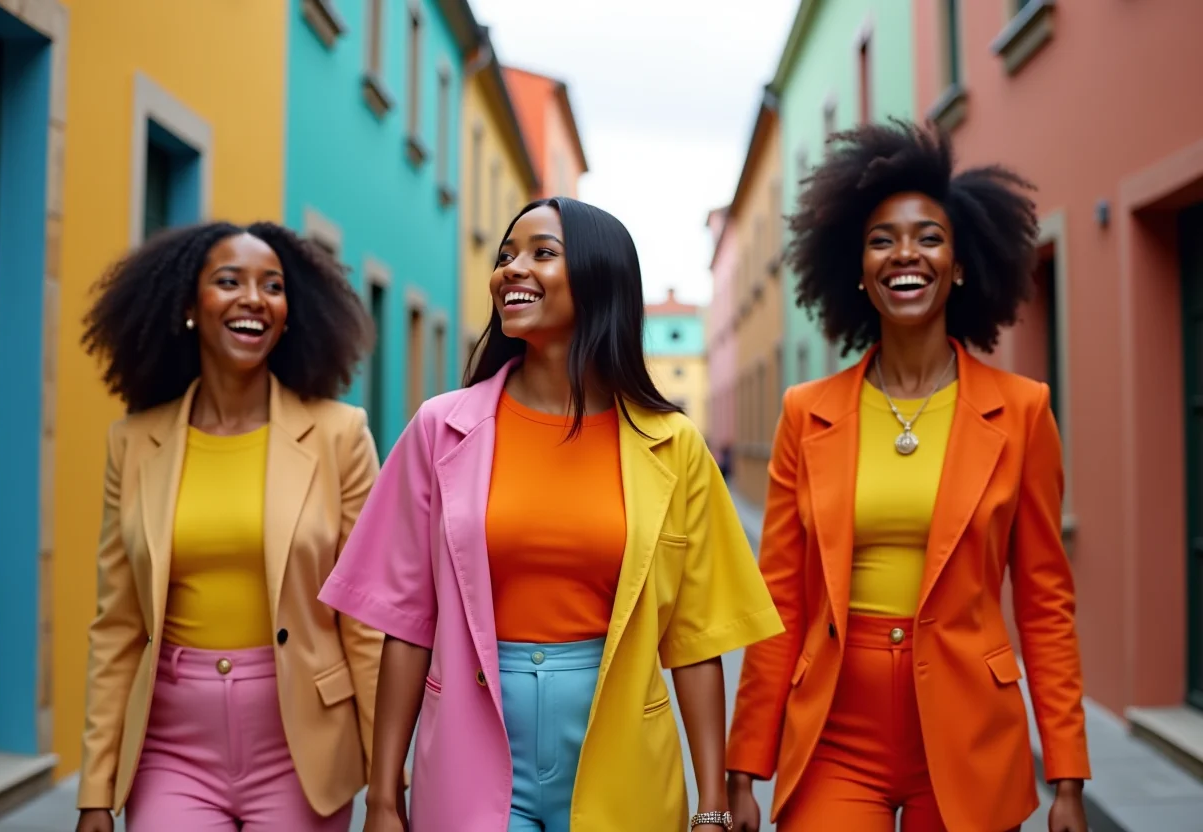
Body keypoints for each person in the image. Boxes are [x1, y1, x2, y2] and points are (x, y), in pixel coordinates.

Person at [319, 197, 784, 832]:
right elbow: (407, 623)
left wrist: (713, 801)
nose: (512, 269)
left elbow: (698, 639)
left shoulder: (673, 446)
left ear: (599, 277)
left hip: (621, 746)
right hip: (469, 738)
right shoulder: (439, 430)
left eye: (542, 253)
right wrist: (380, 796)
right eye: (505, 255)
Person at [725, 121, 1091, 832]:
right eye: (881, 239)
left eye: (929, 236)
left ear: (959, 264)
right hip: (835, 729)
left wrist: (1069, 776)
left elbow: (1046, 602)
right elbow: (779, 600)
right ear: (858, 271)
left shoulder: (1022, 412)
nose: (905, 253)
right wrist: (745, 766)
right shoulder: (807, 413)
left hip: (969, 730)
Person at [75, 221, 385, 832]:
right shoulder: (134, 443)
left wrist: (390, 787)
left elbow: (367, 622)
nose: (253, 299)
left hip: (303, 748)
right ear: (189, 307)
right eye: (228, 282)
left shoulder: (340, 436)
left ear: (290, 313)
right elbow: (117, 625)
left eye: (272, 286)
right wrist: (94, 790)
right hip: (171, 748)